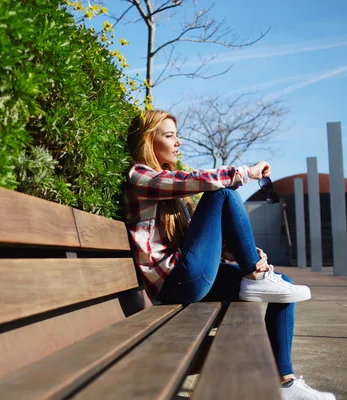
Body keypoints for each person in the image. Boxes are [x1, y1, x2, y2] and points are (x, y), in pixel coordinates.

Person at [122, 109, 335, 400]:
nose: (178, 142)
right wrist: (246, 172)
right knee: (222, 192)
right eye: (169, 135)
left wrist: (243, 252)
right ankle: (255, 275)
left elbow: (197, 244)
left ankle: (284, 382)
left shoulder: (170, 191)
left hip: (188, 276)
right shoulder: (141, 177)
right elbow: (203, 182)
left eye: (177, 135)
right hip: (175, 283)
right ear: (149, 140)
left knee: (283, 285)